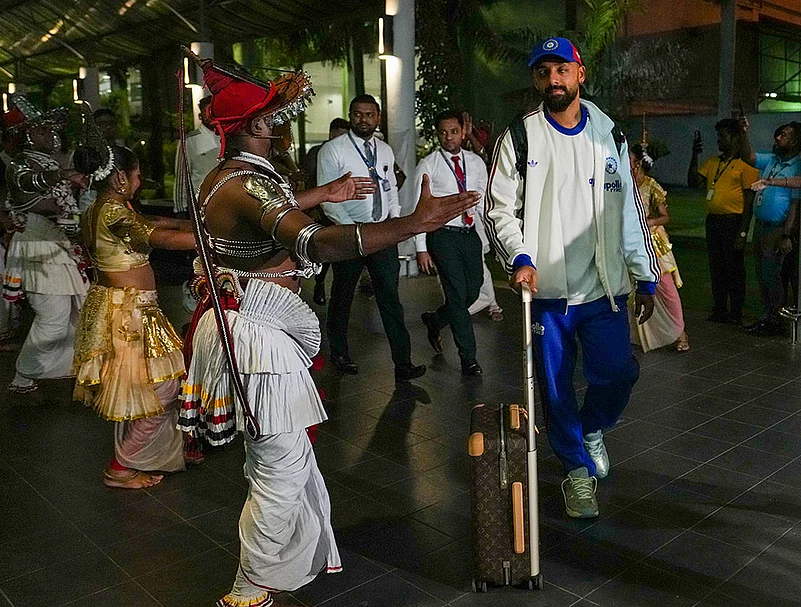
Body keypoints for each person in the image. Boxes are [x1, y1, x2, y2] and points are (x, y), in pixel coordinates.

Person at [176, 53, 478, 607]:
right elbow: (315, 243)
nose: (282, 132)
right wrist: (411, 224)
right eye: (273, 122)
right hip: (258, 337)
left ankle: (271, 574)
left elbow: (278, 209)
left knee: (277, 460)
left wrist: (325, 194)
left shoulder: (234, 177)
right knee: (280, 468)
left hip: (252, 321)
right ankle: (247, 590)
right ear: (251, 128)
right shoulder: (243, 183)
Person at [485, 37, 658, 519]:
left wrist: (645, 275)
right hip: (547, 293)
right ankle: (577, 474)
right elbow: (497, 209)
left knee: (619, 373)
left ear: (580, 74)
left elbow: (629, 211)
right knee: (556, 388)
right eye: (543, 72)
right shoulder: (520, 137)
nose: (553, 79)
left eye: (562, 69)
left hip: (603, 288)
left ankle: (593, 427)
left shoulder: (610, 134)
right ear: (536, 81)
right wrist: (520, 256)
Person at [73, 142, 197, 489]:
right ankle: (121, 466)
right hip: (130, 314)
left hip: (126, 306)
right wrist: (210, 239)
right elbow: (154, 235)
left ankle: (139, 457)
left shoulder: (104, 207)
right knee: (163, 389)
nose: (140, 182)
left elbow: (152, 222)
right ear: (118, 177)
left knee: (144, 388)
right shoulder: (113, 214)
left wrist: (194, 223)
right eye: (137, 175)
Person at [317, 94, 426, 381]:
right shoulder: (333, 150)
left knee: (390, 298)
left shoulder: (385, 150)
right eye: (358, 114)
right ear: (351, 116)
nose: (363, 119)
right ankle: (339, 354)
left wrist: (392, 221)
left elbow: (390, 188)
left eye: (369, 114)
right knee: (342, 295)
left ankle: (403, 363)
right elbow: (327, 197)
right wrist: (351, 231)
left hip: (381, 233)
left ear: (378, 117)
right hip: (349, 233)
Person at [2, 94, 89, 393]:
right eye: (41, 130)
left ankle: (64, 368)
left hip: (58, 246)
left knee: (75, 313)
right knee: (52, 316)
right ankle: (24, 374)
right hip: (39, 247)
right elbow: (34, 192)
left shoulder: (48, 161)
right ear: (24, 135)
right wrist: (67, 176)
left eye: (50, 129)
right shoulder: (19, 166)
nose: (50, 135)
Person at [415, 110, 487, 376]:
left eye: (454, 131)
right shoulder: (429, 164)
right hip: (442, 235)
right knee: (457, 295)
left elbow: (482, 201)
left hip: (469, 234)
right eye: (443, 132)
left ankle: (435, 320)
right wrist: (421, 248)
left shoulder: (476, 163)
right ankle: (469, 358)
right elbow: (418, 209)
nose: (449, 137)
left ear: (462, 132)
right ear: (438, 134)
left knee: (472, 291)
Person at [688, 119, 759, 326]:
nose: (719, 140)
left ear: (736, 138)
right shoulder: (713, 162)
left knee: (734, 269)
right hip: (714, 222)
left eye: (723, 136)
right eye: (718, 135)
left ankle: (735, 312)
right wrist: (694, 155)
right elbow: (693, 182)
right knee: (717, 267)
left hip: (733, 222)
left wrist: (743, 233)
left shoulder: (746, 166)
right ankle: (719, 309)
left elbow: (749, 202)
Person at [738, 120, 801, 336]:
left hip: (778, 227)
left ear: (795, 141)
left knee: (772, 275)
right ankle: (768, 315)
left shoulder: (797, 164)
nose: (778, 138)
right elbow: (748, 157)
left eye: (784, 135)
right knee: (763, 273)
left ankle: (774, 319)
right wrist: (743, 132)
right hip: (762, 226)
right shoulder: (772, 159)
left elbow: (794, 204)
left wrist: (786, 234)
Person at [628, 143, 689, 352]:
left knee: (666, 288)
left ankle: (679, 331)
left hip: (653, 243)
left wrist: (649, 223)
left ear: (638, 164)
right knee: (631, 289)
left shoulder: (651, 186)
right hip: (631, 241)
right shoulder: (625, 185)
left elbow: (665, 216)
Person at [304, 118, 350, 306]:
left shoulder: (347, 152)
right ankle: (320, 283)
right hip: (322, 210)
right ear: (331, 133)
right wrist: (313, 207)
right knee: (323, 253)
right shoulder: (317, 152)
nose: (341, 138)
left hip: (342, 210)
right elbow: (310, 181)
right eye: (338, 134)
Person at [173, 96, 220, 218]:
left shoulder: (229, 139)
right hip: (199, 206)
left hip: (224, 204)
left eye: (214, 111)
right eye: (207, 111)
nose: (210, 115)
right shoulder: (190, 140)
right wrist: (180, 209)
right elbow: (181, 177)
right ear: (200, 115)